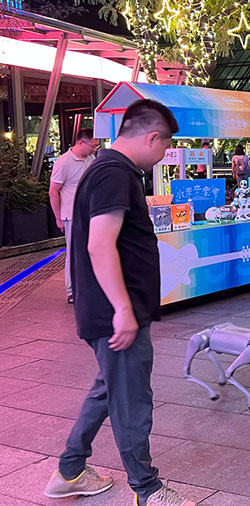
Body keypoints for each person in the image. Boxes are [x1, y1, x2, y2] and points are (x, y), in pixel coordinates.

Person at [43, 100, 194, 506]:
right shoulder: (113, 173)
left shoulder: (109, 169)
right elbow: (99, 245)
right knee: (131, 402)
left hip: (113, 310)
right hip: (115, 312)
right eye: (166, 146)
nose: (164, 154)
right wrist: (123, 310)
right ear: (151, 138)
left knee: (108, 390)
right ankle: (147, 490)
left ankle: (69, 472)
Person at [49, 129, 100, 304]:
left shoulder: (91, 159)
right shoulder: (63, 162)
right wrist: (58, 218)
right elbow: (53, 192)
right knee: (73, 253)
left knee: (92, 250)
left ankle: (89, 287)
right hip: (71, 215)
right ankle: (72, 291)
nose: (95, 149)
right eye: (93, 146)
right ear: (80, 143)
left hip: (90, 213)